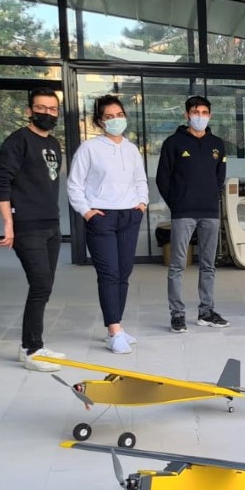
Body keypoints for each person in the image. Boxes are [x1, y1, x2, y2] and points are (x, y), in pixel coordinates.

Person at [67, 94, 150, 354]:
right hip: (101, 217)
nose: (116, 120)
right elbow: (74, 184)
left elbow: (140, 180)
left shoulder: (131, 149)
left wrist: (142, 204)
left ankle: (117, 326)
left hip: (129, 216)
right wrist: (87, 212)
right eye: (109, 116)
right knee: (109, 273)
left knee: (124, 273)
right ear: (100, 121)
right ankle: (114, 330)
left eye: (119, 115)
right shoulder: (89, 148)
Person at [0, 88, 66, 372]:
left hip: (51, 224)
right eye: (41, 108)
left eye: (52, 109)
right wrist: (8, 223)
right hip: (27, 226)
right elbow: (0, 181)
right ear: (29, 111)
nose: (47, 113)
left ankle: (34, 344)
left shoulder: (54, 143)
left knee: (44, 287)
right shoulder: (18, 141)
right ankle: (31, 350)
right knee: (40, 285)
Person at [156, 95, 228, 334]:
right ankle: (177, 314)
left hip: (210, 212)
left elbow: (219, 176)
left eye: (205, 112)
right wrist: (177, 203)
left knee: (208, 265)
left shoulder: (217, 144)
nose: (200, 117)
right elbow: (163, 178)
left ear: (210, 115)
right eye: (196, 112)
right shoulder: (173, 143)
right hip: (183, 213)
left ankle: (206, 312)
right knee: (177, 265)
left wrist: (211, 196)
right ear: (187, 114)